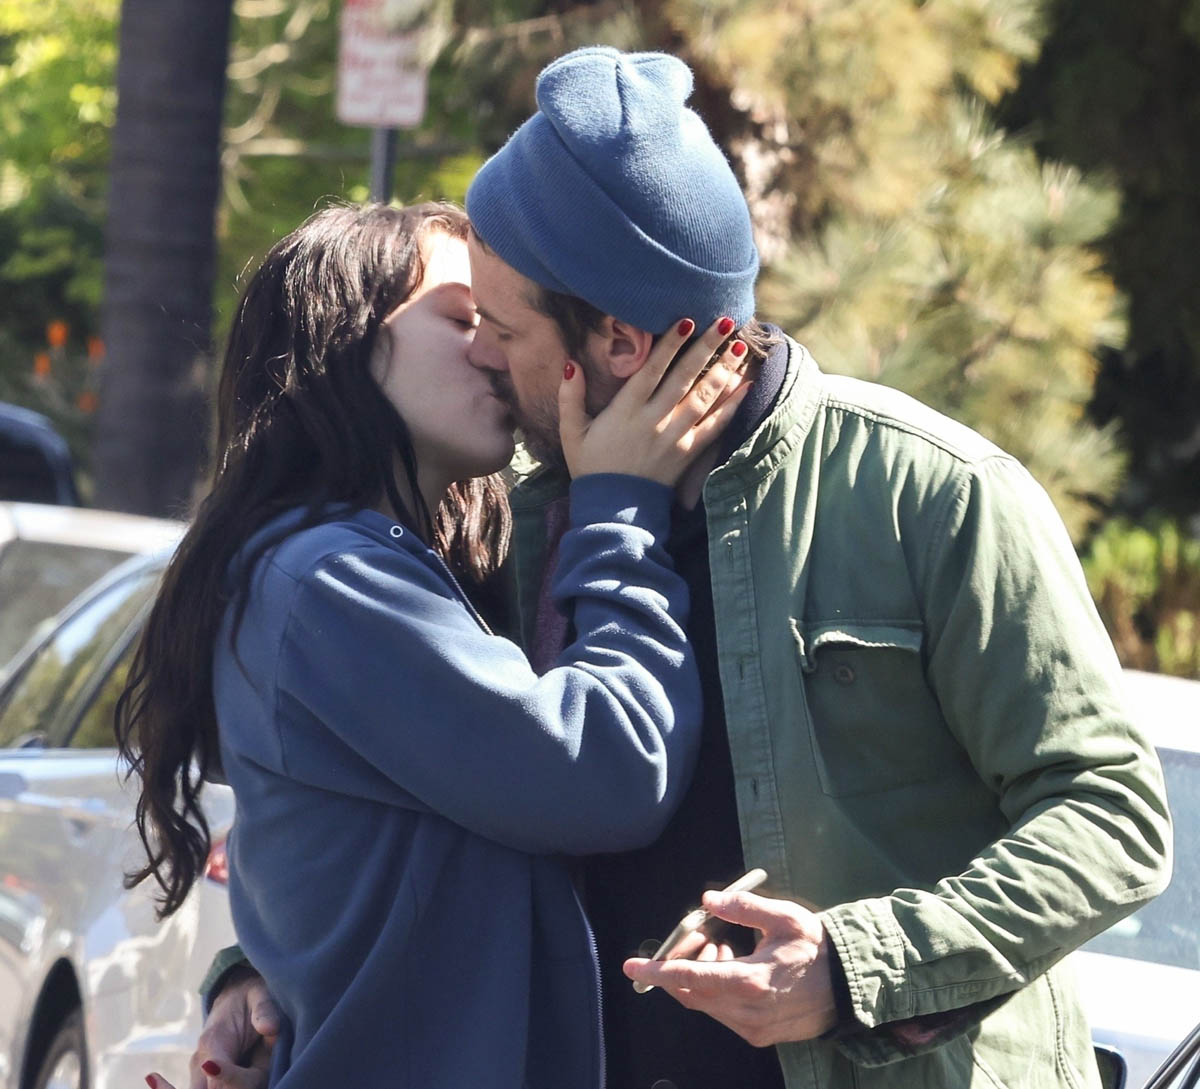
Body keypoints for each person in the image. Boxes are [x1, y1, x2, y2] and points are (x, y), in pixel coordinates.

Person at [184, 48, 1172, 1089]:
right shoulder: (515, 523)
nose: (482, 355)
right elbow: (417, 803)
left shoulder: (931, 493)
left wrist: (853, 968)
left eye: (503, 328)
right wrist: (259, 975)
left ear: (616, 343)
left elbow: (1111, 812)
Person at [118, 200, 755, 1089]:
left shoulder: (365, 567)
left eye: (501, 323)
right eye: (463, 320)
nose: (496, 350)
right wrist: (620, 508)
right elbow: (607, 767)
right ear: (343, 342)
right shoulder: (329, 581)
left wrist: (247, 973)